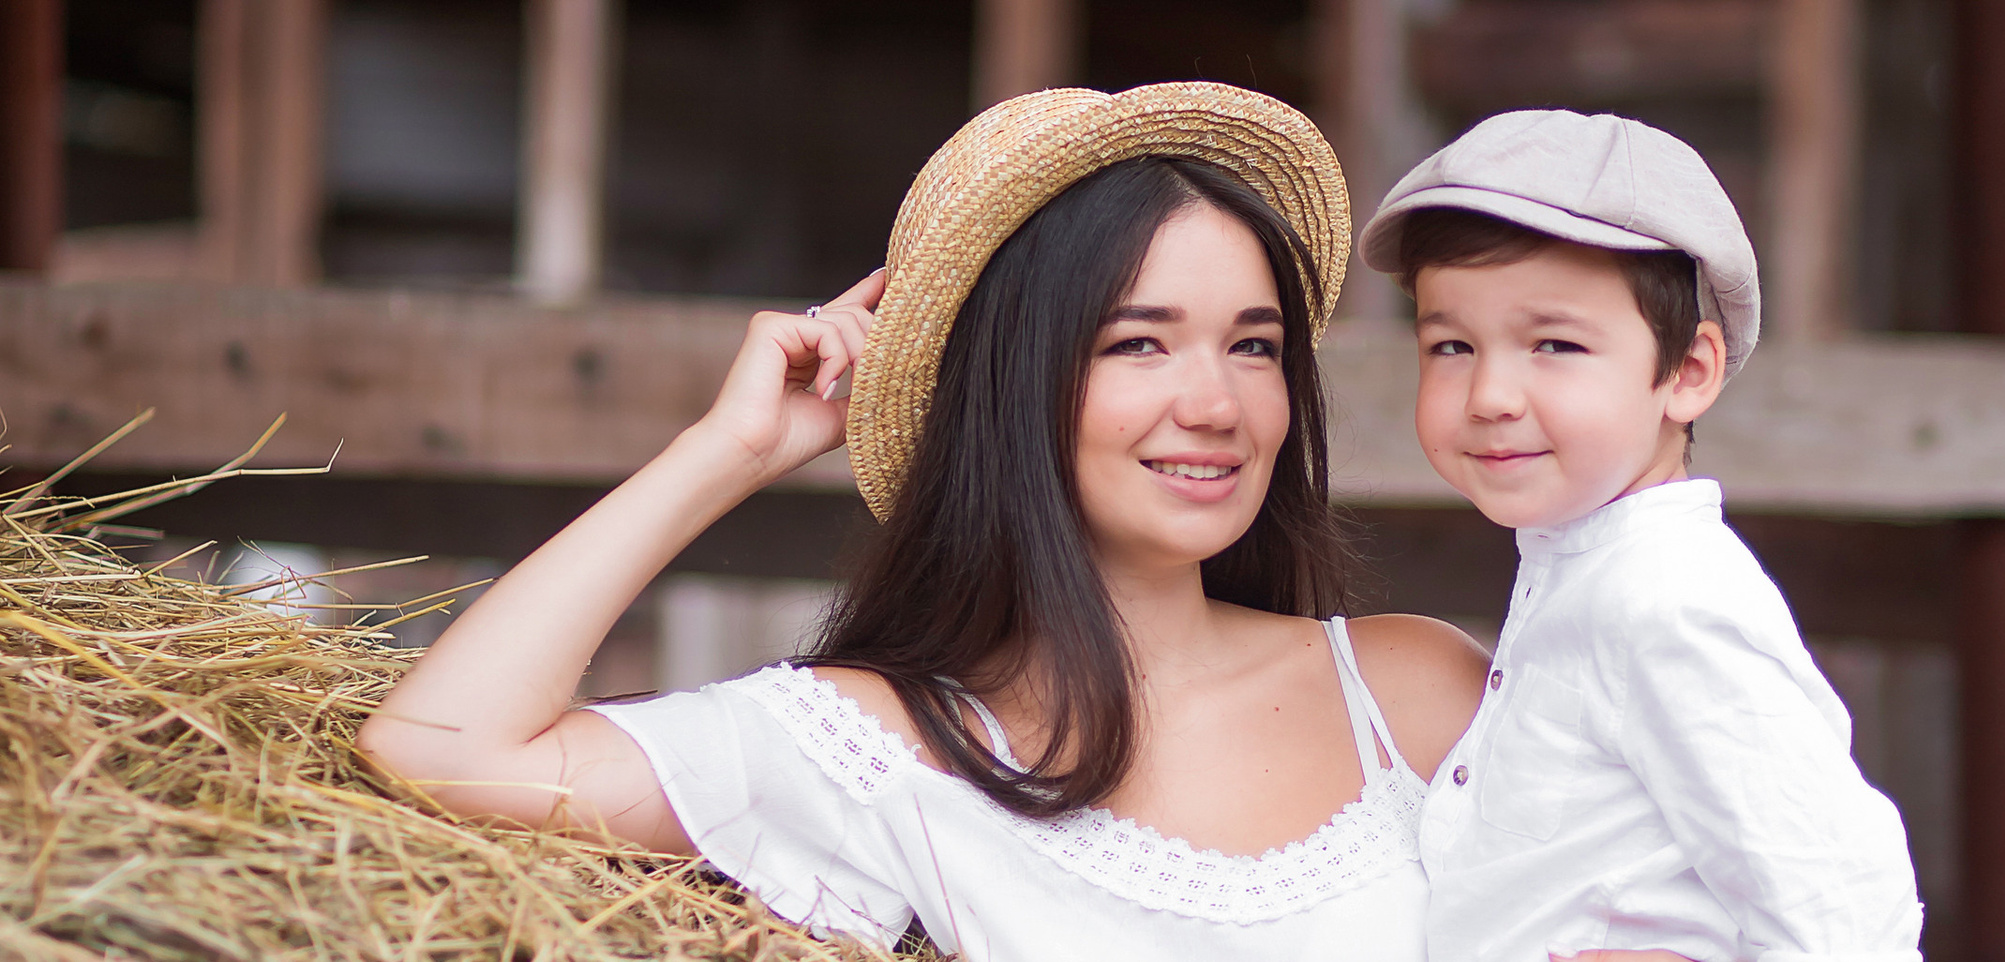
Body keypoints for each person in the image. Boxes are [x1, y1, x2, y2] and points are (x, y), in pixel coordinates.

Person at [356, 83, 1490, 961]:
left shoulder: (1417, 691)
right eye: (1136, 341)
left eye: (1253, 344)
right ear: (1010, 380)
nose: (1218, 403)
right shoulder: (878, 746)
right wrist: (730, 452)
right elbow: (442, 748)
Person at [1355, 110, 1926, 961]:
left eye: (1554, 343)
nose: (1490, 394)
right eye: (1451, 345)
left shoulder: (1668, 600)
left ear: (1688, 372)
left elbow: (1846, 908)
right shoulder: (1586, 574)